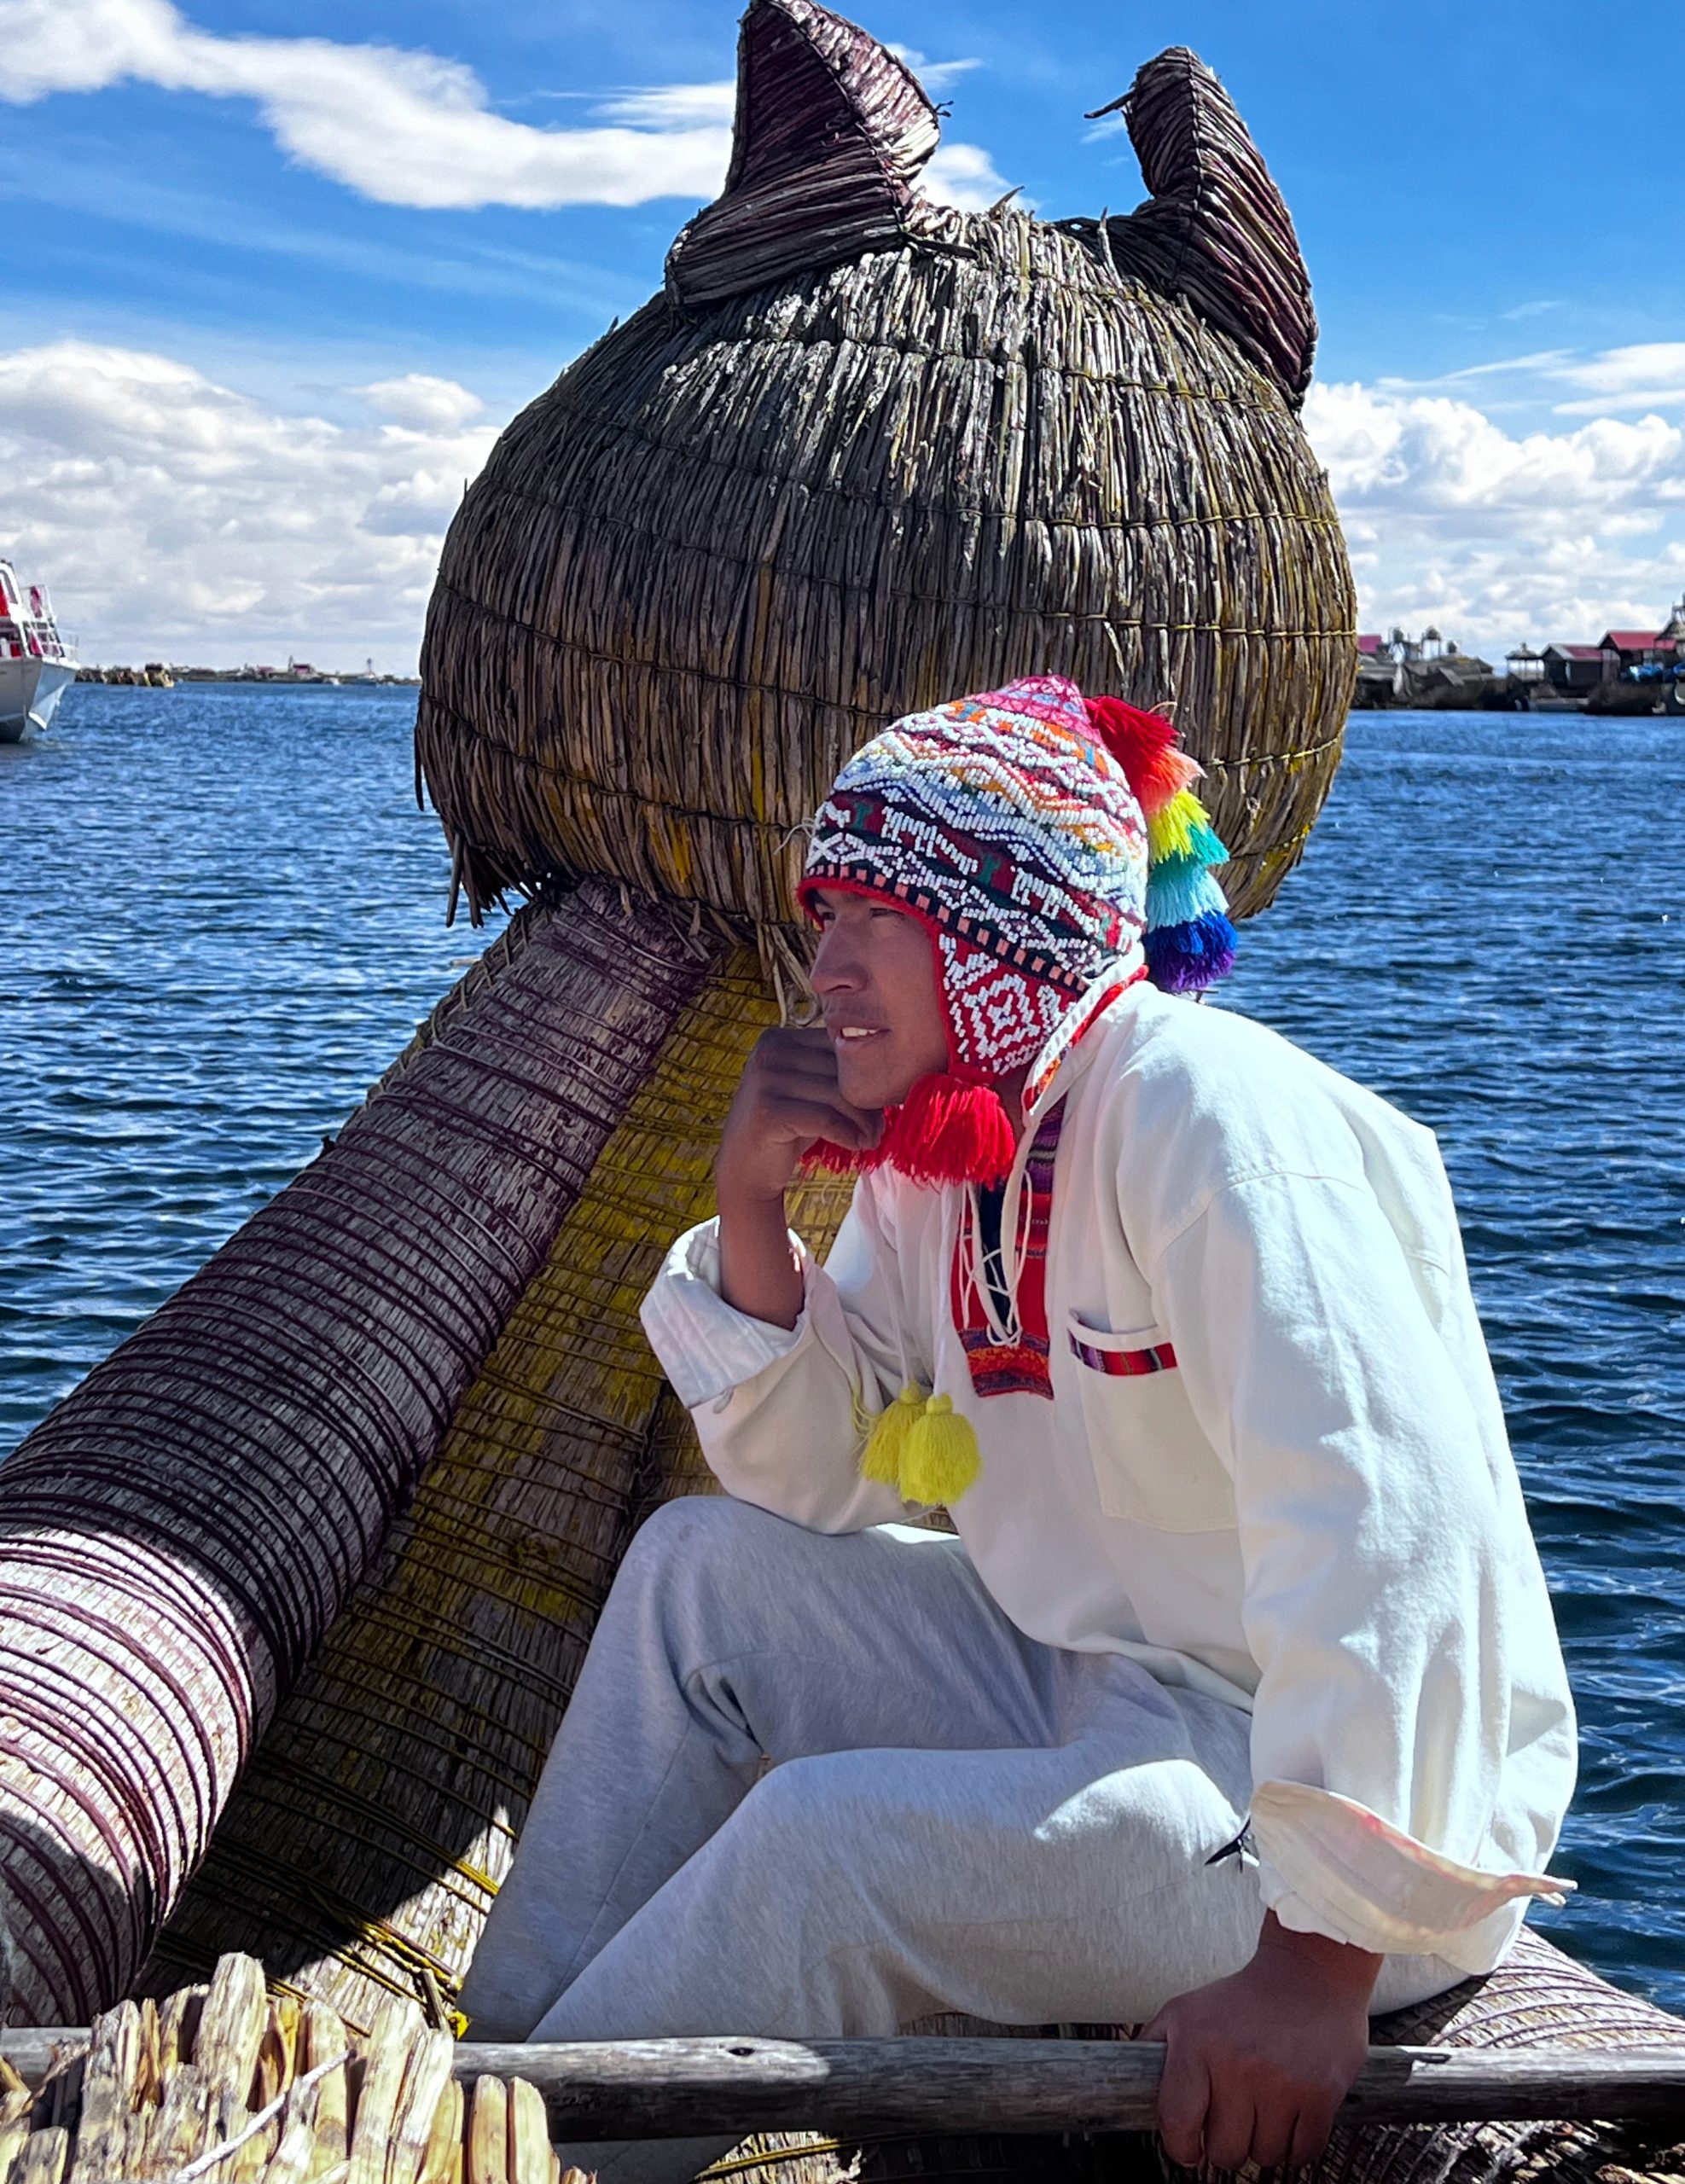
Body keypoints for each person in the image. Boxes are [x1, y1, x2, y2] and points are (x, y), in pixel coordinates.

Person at [459, 676, 1576, 2179]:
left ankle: (538, 2170)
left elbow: (1388, 1531)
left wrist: (1318, 1966)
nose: (825, 964)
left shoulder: (1208, 1117)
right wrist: (750, 1206)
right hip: (1092, 1685)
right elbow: (827, 1474)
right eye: (825, 913)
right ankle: (488, 2075)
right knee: (694, 1575)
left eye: (877, 914)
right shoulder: (952, 1146)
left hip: (1299, 1810)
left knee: (825, 1850)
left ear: (1005, 929)